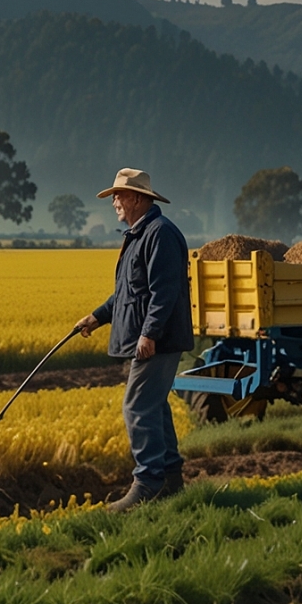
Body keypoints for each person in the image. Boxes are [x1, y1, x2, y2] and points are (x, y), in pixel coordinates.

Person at [77, 168, 193, 512]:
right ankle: (171, 481)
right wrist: (97, 317)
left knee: (137, 407)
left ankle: (147, 483)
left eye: (119, 194)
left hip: (159, 340)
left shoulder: (159, 234)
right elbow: (127, 293)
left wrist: (149, 333)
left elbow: (164, 291)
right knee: (154, 406)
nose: (114, 201)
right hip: (151, 338)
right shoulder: (138, 234)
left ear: (139, 199)